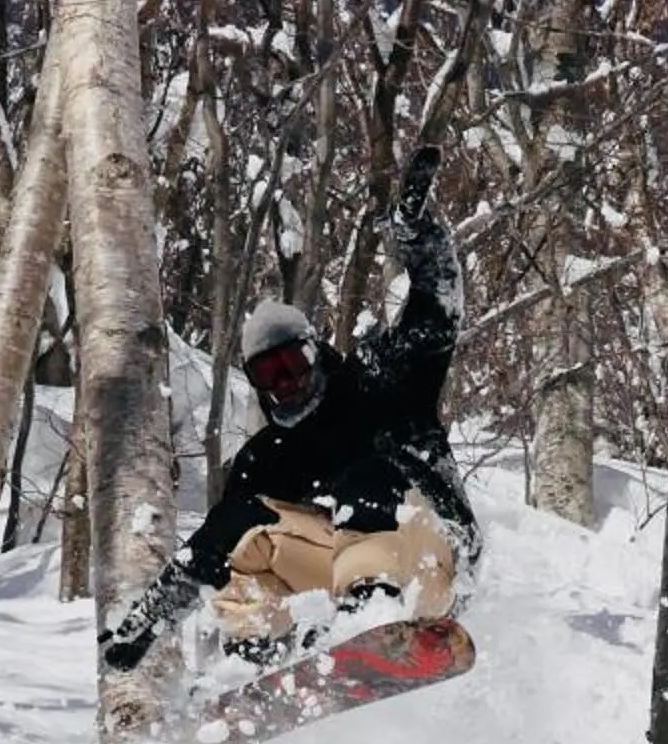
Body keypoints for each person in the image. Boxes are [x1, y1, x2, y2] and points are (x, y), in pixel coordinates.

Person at [98, 146, 479, 673]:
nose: (289, 386)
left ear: (315, 350)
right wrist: (147, 620)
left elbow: (436, 311)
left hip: (430, 548)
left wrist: (417, 233)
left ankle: (373, 616)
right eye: (271, 377)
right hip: (337, 565)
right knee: (243, 530)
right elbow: (212, 550)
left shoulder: (377, 378)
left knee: (362, 478)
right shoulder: (267, 458)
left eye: (295, 366)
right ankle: (258, 663)